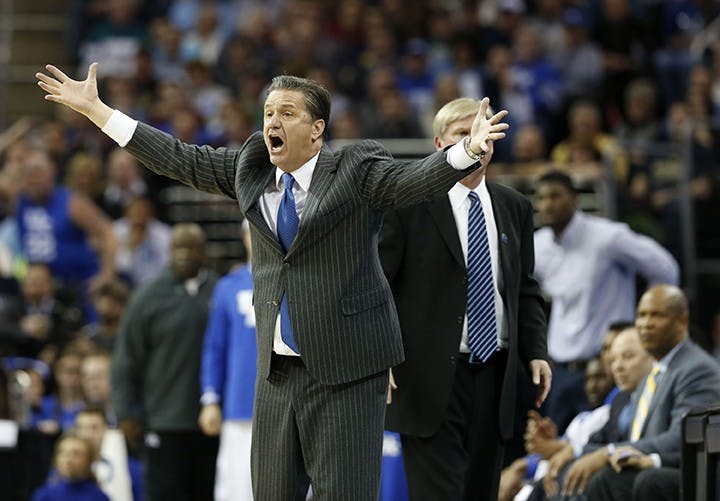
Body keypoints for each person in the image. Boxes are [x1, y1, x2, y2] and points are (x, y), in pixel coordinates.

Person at [36, 62, 509, 499]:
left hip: (348, 370)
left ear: (317, 129)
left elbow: (412, 181)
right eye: (267, 113)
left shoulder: (355, 169)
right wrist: (99, 113)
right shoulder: (252, 167)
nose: (272, 122)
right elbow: (177, 157)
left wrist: (467, 150)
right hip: (279, 372)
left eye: (287, 112)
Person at [378, 97, 550, 500]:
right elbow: (378, 284)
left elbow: (524, 288)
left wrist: (536, 351)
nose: (478, 140)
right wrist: (380, 352)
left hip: (495, 375)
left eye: (485, 131)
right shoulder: (408, 203)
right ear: (440, 146)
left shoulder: (514, 207)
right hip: (427, 378)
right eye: (464, 133)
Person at [533, 170, 679, 433]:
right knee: (554, 455)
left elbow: (665, 268)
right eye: (542, 198)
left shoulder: (608, 237)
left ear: (575, 199)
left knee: (599, 453)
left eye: (556, 195)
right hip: (560, 370)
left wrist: (645, 322)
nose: (548, 204)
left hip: (606, 368)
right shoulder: (538, 245)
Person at [552, 285, 720, 500]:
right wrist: (578, 451)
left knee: (609, 479)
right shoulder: (655, 373)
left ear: (682, 321)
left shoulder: (696, 368)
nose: (645, 324)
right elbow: (627, 438)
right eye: (641, 315)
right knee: (572, 474)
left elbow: (684, 438)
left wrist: (608, 452)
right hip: (650, 467)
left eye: (656, 315)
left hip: (684, 473)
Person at [111, 223, 219, 500]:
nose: (184, 254)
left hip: (213, 421)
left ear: (204, 252)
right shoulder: (147, 297)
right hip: (162, 420)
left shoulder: (220, 291)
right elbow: (126, 359)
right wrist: (126, 412)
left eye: (191, 247)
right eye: (178, 247)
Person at [198, 221, 257, 501]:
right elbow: (215, 347)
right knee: (236, 489)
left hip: (290, 407)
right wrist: (211, 399)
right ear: (245, 237)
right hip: (239, 407)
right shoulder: (228, 287)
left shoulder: (300, 282)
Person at [75, 406, 143, 501]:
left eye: (94, 428)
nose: (87, 434)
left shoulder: (130, 468)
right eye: (81, 428)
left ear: (106, 429)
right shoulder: (66, 468)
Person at [31, 433, 109, 501]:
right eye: (63, 453)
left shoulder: (99, 497)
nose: (68, 459)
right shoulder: (44, 495)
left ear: (88, 460)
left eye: (76, 454)